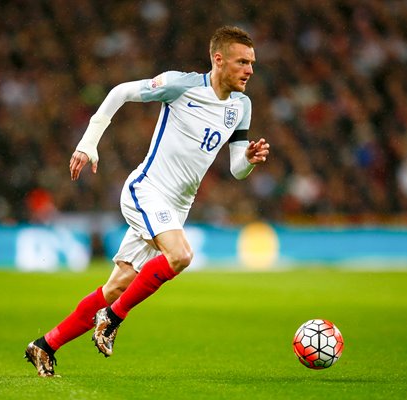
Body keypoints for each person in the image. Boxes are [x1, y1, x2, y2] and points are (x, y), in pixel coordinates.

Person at [25, 25, 270, 377]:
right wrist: (88, 142)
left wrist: (249, 157)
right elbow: (120, 91)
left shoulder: (241, 106)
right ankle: (112, 319)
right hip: (147, 189)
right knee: (181, 255)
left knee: (117, 286)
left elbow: (236, 170)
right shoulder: (180, 85)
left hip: (176, 207)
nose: (250, 70)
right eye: (242, 62)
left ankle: (45, 345)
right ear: (218, 60)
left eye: (252, 62)